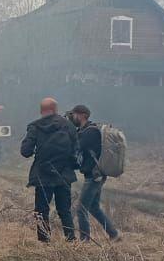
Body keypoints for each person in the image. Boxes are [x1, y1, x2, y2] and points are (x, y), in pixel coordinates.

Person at [20, 97, 77, 242]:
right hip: (64, 174)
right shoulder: (68, 125)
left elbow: (25, 151)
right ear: (55, 109)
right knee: (64, 210)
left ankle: (44, 241)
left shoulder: (35, 126)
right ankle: (71, 239)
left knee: (41, 210)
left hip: (43, 175)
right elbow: (76, 150)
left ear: (41, 110)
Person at [69, 105, 120, 242]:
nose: (72, 118)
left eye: (74, 115)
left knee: (81, 209)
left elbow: (76, 146)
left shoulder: (89, 132)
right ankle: (114, 234)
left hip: (94, 176)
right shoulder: (87, 130)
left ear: (82, 115)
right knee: (94, 207)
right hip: (96, 175)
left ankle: (84, 240)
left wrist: (69, 131)